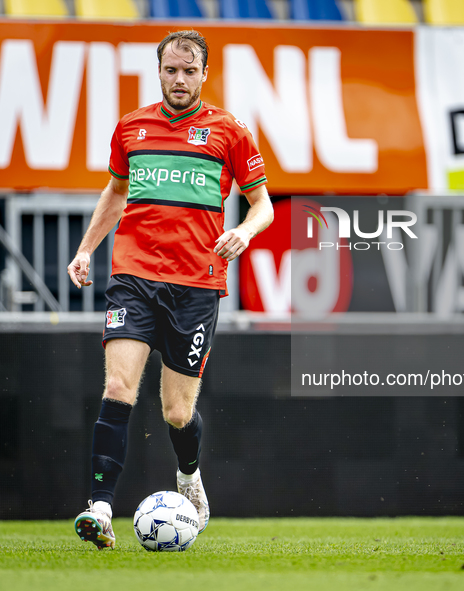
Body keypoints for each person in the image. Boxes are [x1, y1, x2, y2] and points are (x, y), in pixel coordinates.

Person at [68, 30, 273, 549]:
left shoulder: (229, 132)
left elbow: (262, 205)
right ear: (158, 72)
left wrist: (243, 233)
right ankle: (99, 508)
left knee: (177, 412)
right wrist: (87, 249)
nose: (179, 80)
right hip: (133, 279)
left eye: (189, 71)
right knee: (118, 387)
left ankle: (188, 476)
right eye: (170, 70)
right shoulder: (132, 128)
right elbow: (115, 193)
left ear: (205, 74)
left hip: (195, 286)